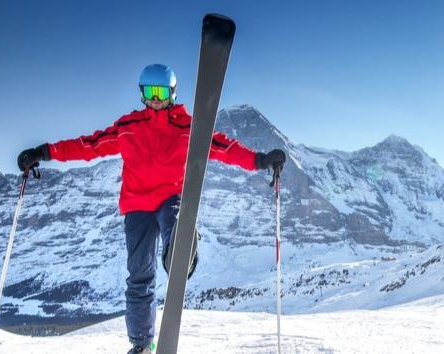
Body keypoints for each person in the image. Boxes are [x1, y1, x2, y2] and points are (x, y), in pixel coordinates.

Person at [17, 64, 286, 354]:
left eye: (160, 92)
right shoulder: (128, 127)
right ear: (141, 94)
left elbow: (223, 147)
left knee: (175, 218)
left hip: (171, 197)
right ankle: (142, 345)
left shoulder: (187, 127)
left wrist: (259, 160)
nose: (154, 98)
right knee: (139, 277)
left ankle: (181, 251)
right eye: (148, 92)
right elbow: (88, 146)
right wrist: (45, 152)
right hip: (136, 206)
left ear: (172, 93)